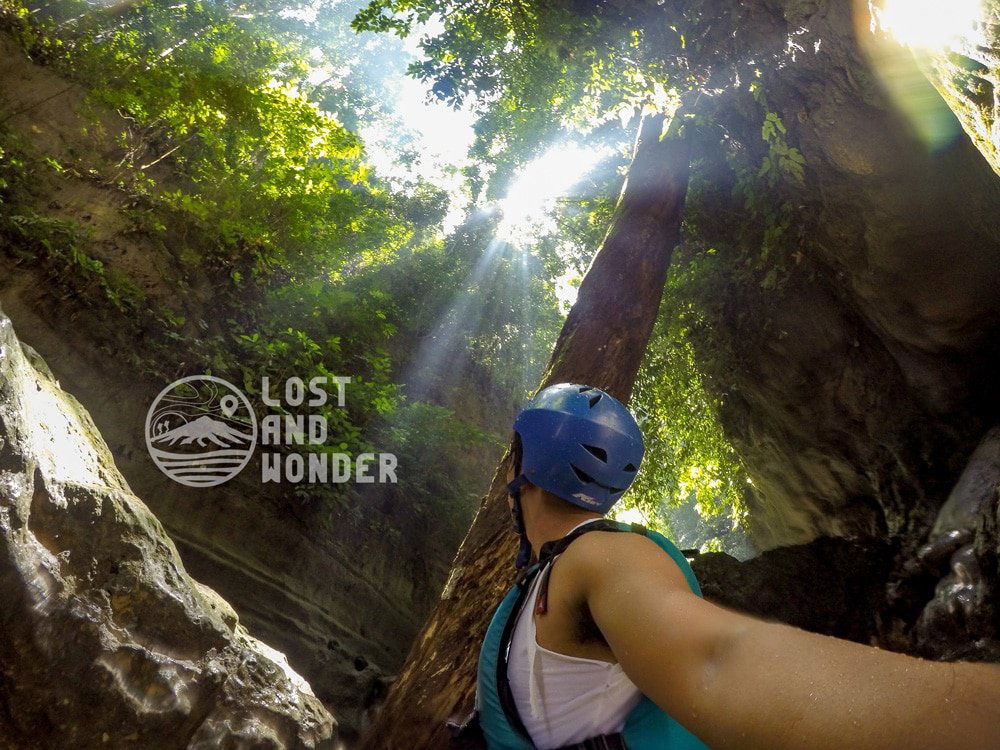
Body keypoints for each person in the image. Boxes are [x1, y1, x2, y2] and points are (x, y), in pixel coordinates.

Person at [468, 383, 1000, 750]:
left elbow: (719, 662)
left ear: (523, 466)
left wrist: (976, 711)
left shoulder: (605, 556)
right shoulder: (546, 576)